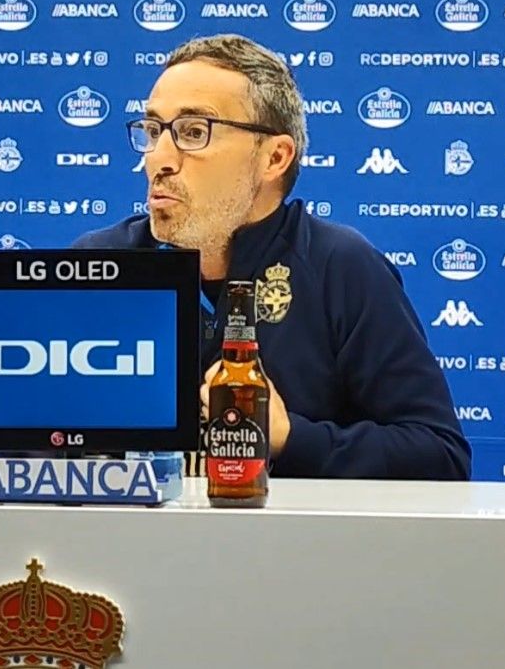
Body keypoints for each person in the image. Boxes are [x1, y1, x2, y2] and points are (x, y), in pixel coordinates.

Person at [73, 34, 471, 480]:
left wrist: (290, 439)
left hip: (290, 547)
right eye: (152, 131)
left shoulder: (339, 267)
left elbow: (440, 457)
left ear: (274, 157)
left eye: (192, 132)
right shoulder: (98, 265)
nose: (158, 159)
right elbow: (25, 449)